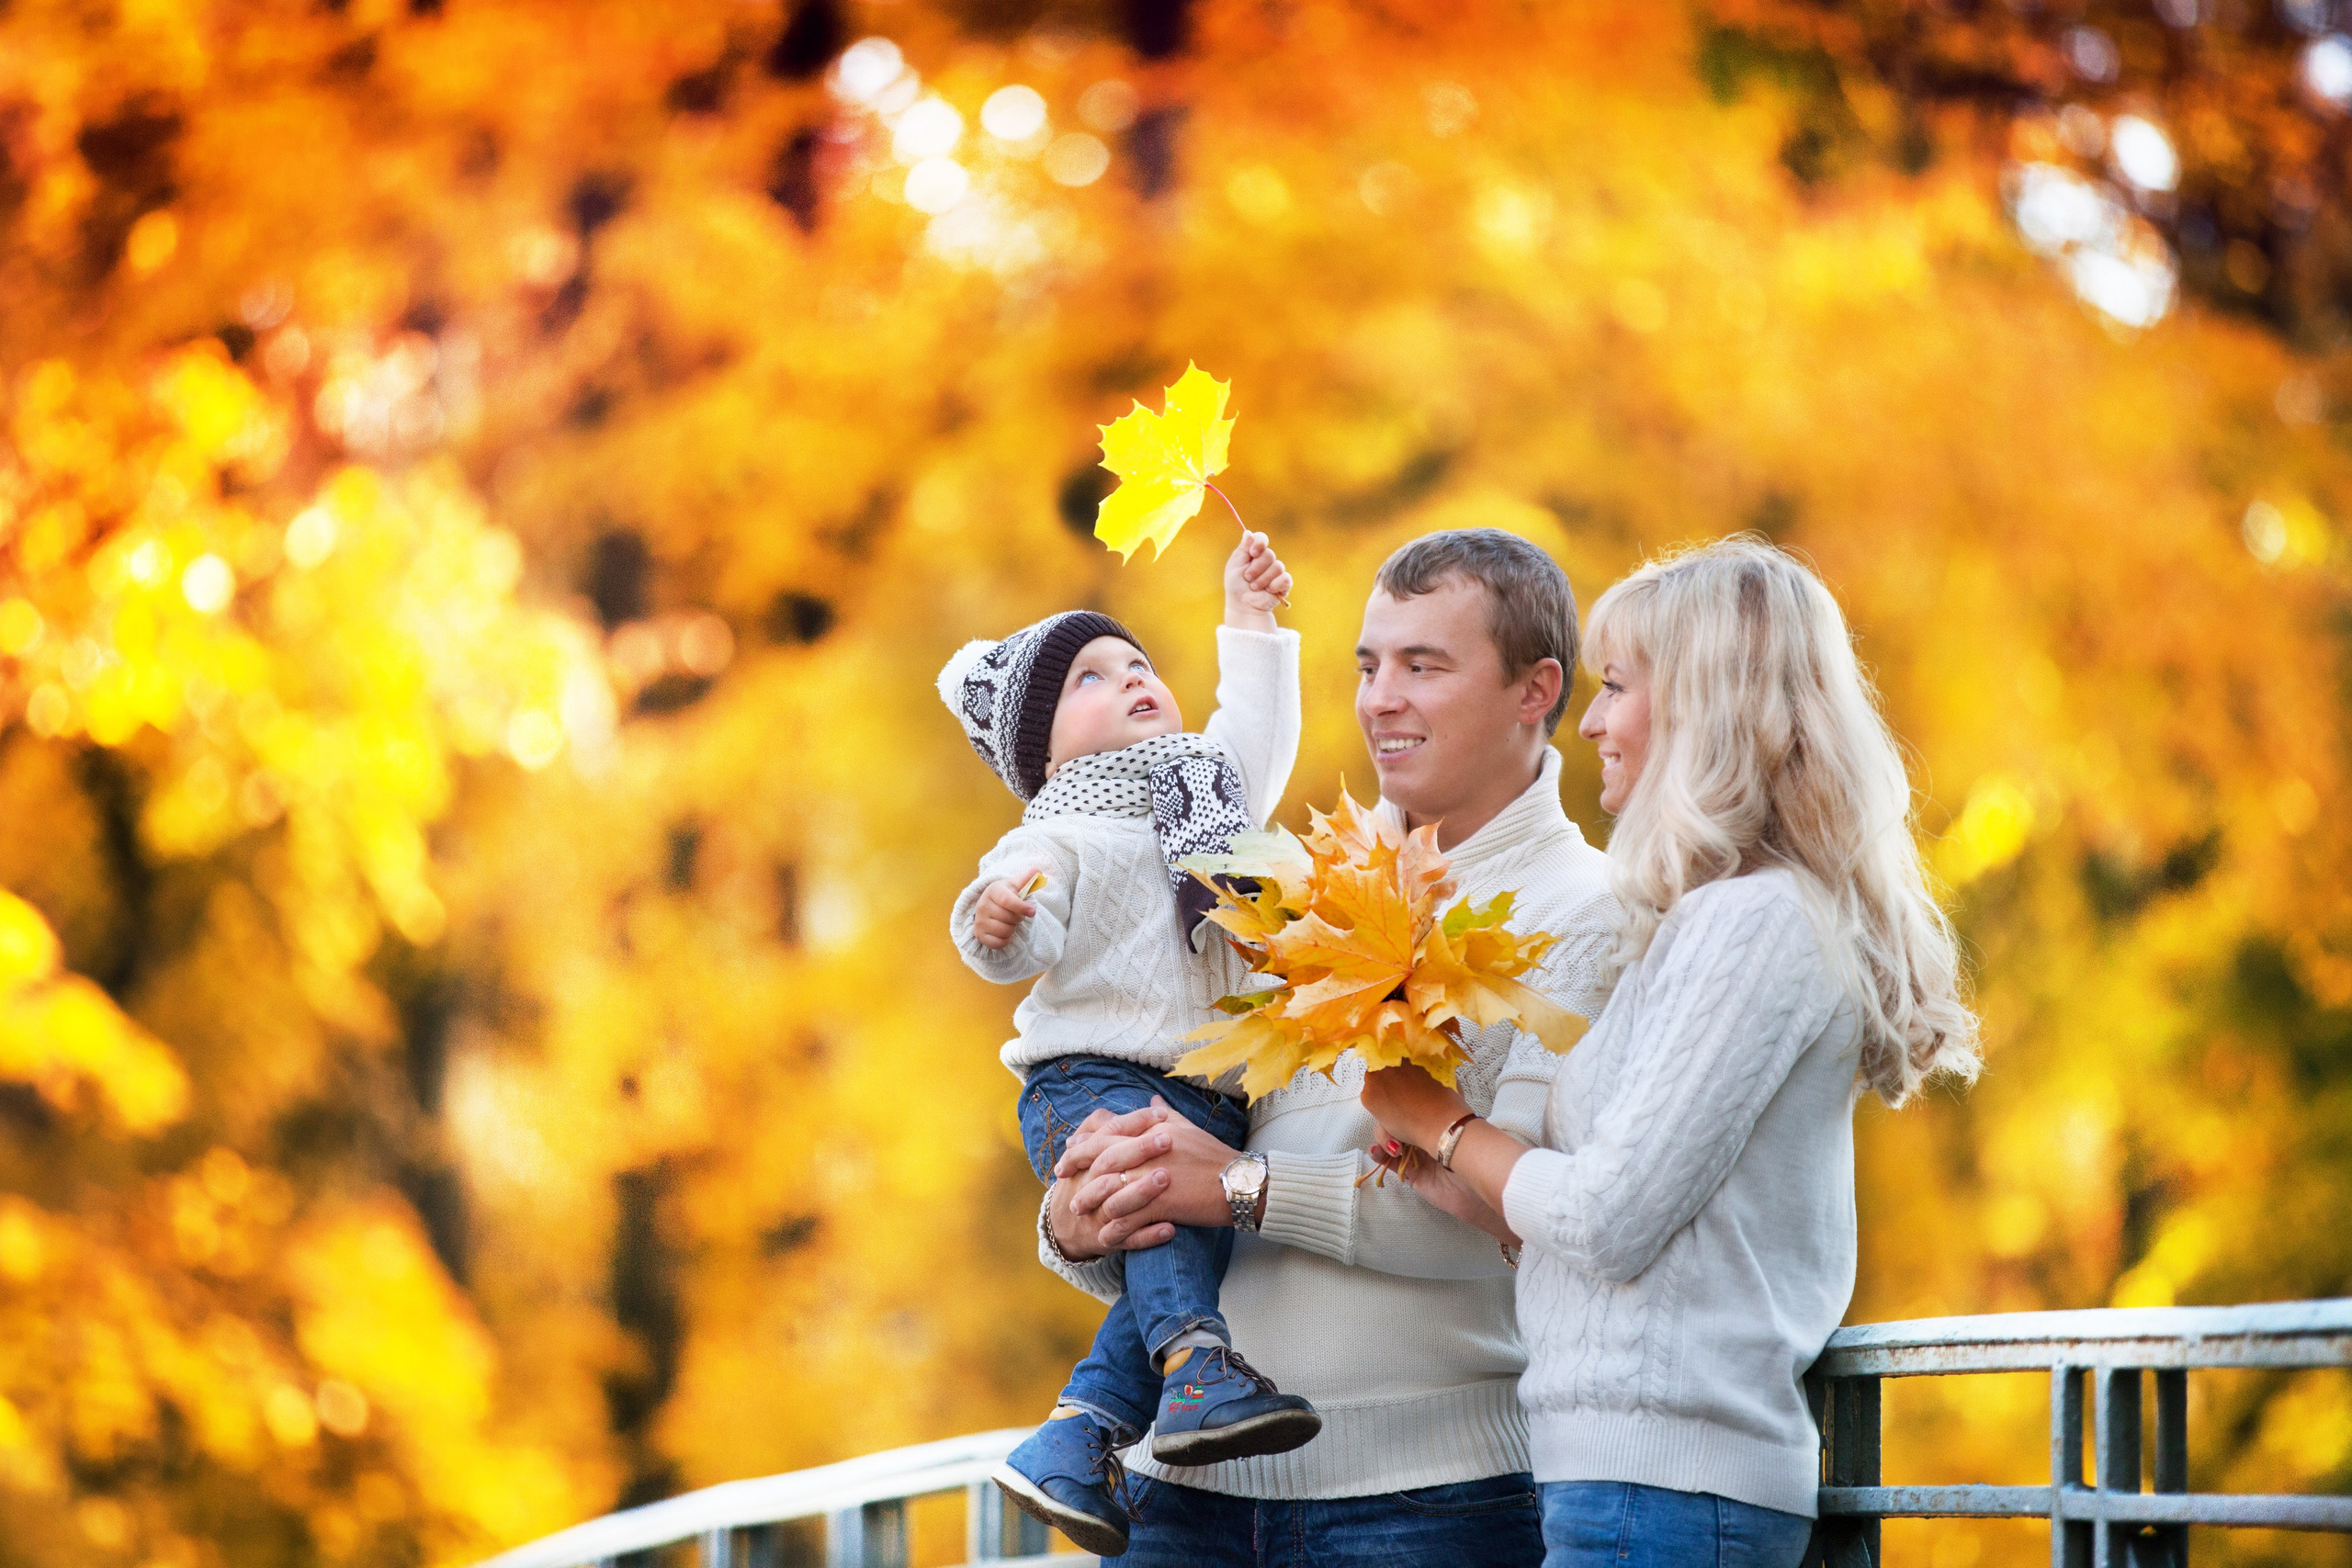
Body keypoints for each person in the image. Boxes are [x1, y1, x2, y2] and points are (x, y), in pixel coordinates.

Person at [1356, 536, 1981, 1568]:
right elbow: (1645, 1224)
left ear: (1705, 705)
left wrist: (1447, 1123)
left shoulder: (1757, 925)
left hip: (1667, 1498)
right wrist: (1464, 1186)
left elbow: (1608, 1221)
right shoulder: (1702, 918)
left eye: (1616, 688)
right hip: (1623, 1487)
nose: (1592, 721)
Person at [1038, 528, 1620, 1567]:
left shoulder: (1590, 914)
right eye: (1366, 665)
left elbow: (1518, 1218)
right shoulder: (1277, 884)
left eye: (1422, 666)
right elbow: (1174, 1139)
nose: (1379, 699)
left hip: (1424, 1503)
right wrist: (1077, 1224)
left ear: (1535, 691)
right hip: (1179, 1495)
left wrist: (1242, 1188)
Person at [939, 530, 1318, 1557]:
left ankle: (1075, 1437)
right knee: (1163, 1221)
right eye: (1090, 681)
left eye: (1138, 664)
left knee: (1184, 1243)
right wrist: (1000, 923)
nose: (1132, 679)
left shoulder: (1209, 797)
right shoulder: (1053, 835)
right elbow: (1025, 916)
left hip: (1205, 1096)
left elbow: (1260, 729)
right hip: (1089, 1079)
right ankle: (1198, 1372)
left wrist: (1250, 619)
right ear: (1043, 752)